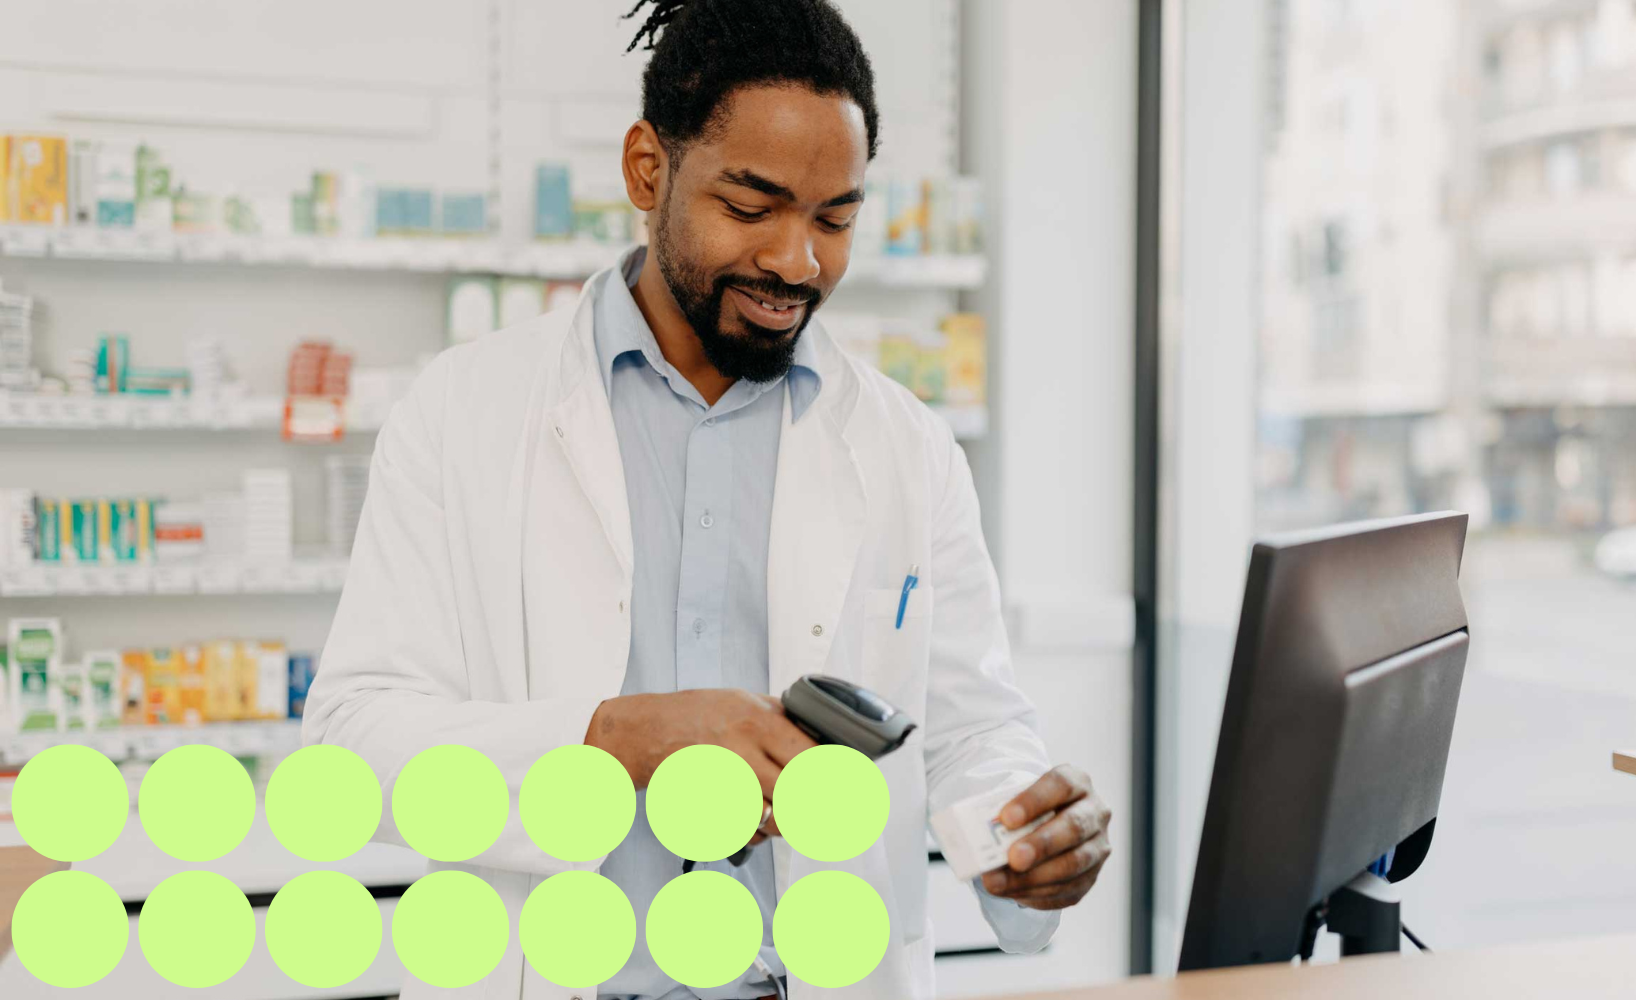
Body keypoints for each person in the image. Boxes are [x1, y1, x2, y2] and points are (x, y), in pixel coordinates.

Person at [302, 1, 1111, 997]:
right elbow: (353, 741)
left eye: (833, 218)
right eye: (751, 203)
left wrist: (1026, 831)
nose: (794, 260)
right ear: (650, 169)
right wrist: (613, 736)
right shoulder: (466, 412)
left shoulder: (906, 446)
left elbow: (971, 728)